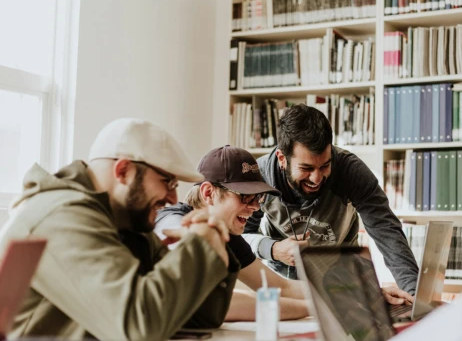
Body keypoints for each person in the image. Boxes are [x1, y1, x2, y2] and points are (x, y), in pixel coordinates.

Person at [0, 118, 239, 340]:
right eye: (167, 182)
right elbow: (137, 327)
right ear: (123, 171)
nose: (174, 198)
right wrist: (200, 247)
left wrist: (214, 246)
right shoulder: (62, 217)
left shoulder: (125, 222)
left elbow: (197, 317)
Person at [243, 103, 419, 296]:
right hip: (282, 288)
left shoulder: (351, 171)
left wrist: (413, 295)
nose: (316, 178)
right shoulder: (259, 177)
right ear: (282, 158)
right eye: (306, 168)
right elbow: (241, 236)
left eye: (325, 165)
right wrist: (273, 249)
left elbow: (387, 232)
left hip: (342, 286)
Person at [155, 145, 309, 321]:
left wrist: (335, 296)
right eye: (245, 196)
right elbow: (212, 301)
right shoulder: (171, 221)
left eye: (258, 197)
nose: (255, 207)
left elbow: (280, 287)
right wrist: (313, 309)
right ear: (208, 193)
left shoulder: (227, 235)